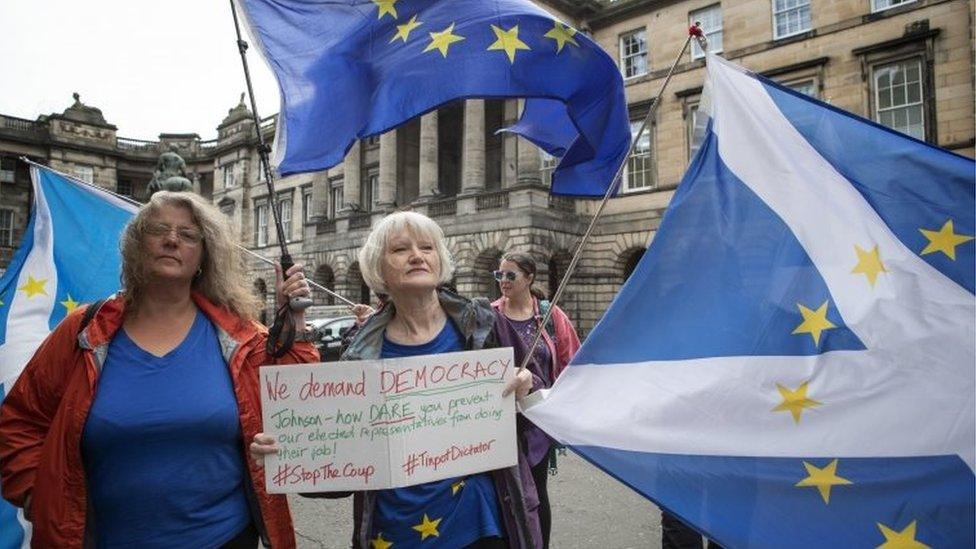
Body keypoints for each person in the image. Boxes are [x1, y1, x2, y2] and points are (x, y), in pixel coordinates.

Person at [0, 191, 318, 548]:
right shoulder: (83, 331)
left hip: (225, 539)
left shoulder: (242, 337)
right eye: (159, 230)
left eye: (188, 235)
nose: (172, 240)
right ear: (137, 245)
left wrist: (294, 325)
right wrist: (35, 495)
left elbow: (301, 410)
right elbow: (21, 419)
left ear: (203, 255)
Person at [251, 211, 542, 548]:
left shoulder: (485, 325)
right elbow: (340, 474)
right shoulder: (358, 353)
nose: (417, 255)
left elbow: (534, 418)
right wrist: (289, 450)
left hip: (481, 528)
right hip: (393, 532)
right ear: (379, 269)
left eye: (427, 247)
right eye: (401, 249)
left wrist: (527, 388)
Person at [490, 252, 581, 549]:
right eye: (499, 275)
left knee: (536, 493)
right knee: (503, 491)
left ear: (529, 278)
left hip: (537, 420)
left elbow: (572, 361)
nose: (503, 281)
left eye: (510, 275)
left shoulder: (552, 316)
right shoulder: (491, 315)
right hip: (501, 419)